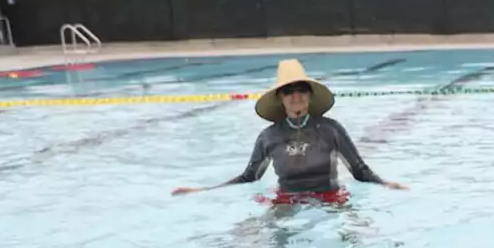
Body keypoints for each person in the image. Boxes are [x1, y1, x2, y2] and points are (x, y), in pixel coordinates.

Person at [171, 60, 408, 204]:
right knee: (271, 245)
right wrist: (204, 190)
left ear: (310, 94)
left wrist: (387, 184)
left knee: (353, 238)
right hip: (286, 199)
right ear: (280, 98)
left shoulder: (330, 129)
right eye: (288, 91)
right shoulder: (268, 137)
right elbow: (249, 177)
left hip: (329, 199)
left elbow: (360, 171)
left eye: (301, 89)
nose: (296, 96)